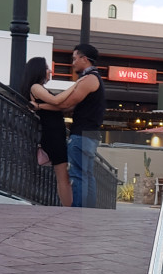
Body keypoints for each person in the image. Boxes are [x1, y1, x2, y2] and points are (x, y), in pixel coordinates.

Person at [33, 44, 105, 208]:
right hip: (90, 134)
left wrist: (39, 106)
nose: (72, 63)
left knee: (79, 175)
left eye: (74, 58)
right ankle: (88, 212)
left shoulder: (90, 79)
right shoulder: (92, 78)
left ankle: (78, 213)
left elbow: (66, 104)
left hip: (82, 134)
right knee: (86, 175)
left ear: (84, 59)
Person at [24, 57, 74, 207]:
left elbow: (61, 106)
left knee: (63, 177)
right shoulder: (35, 87)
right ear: (38, 70)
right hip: (52, 135)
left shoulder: (38, 88)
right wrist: (76, 86)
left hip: (55, 134)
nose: (50, 71)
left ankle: (69, 208)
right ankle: (69, 209)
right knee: (63, 178)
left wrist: (40, 107)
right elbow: (58, 102)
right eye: (47, 68)